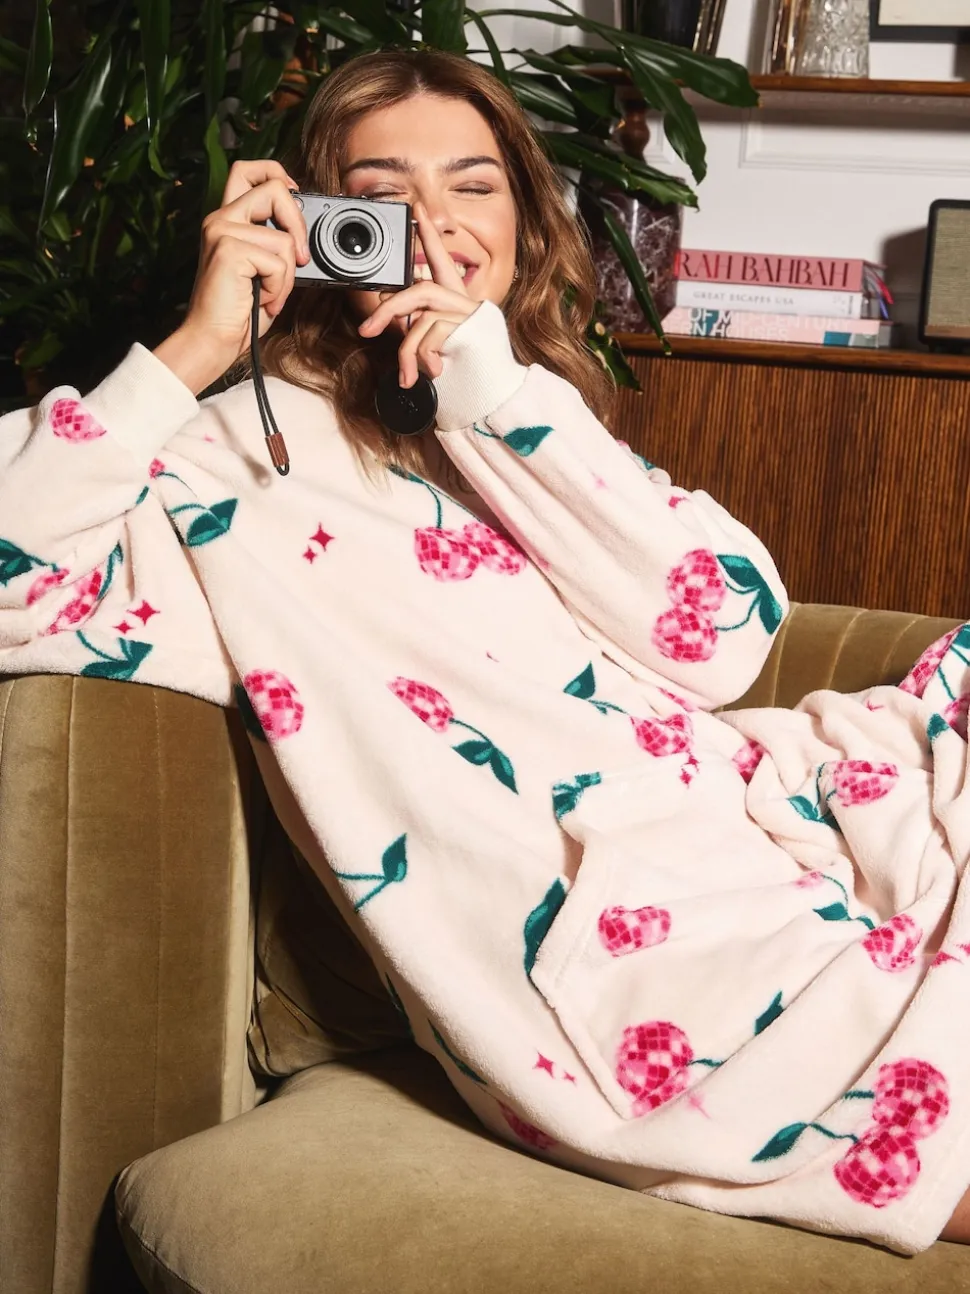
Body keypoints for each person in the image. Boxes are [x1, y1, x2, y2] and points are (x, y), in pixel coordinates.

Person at [1, 47, 968, 1255]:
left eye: (473, 185)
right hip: (638, 957)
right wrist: (196, 346)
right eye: (380, 193)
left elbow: (723, 636)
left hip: (771, 834)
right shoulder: (231, 460)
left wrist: (494, 392)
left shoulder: (516, 411)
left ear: (523, 222)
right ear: (309, 223)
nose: (435, 223)